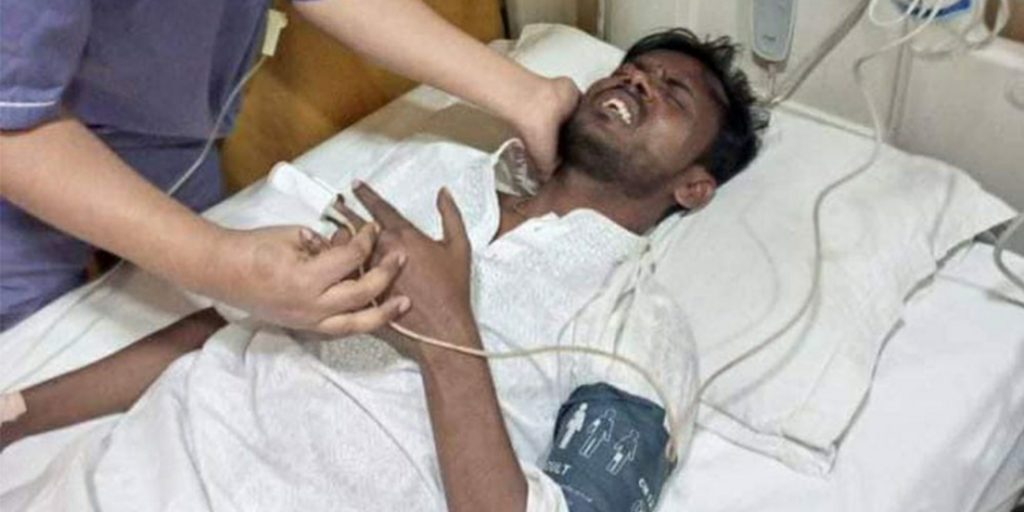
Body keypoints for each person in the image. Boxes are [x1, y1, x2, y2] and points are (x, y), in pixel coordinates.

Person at [0, 29, 766, 512]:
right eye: (631, 69)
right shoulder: (430, 170)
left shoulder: (640, 332)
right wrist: (22, 413)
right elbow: (235, 313)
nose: (636, 81)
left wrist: (448, 334)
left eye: (673, 93)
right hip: (133, 473)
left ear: (695, 187)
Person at [0, 0, 579, 333]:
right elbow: (12, 128)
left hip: (163, 122)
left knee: (197, 332)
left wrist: (526, 95)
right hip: (29, 156)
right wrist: (217, 260)